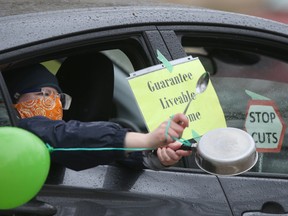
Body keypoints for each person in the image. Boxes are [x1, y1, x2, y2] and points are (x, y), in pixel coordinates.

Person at [3, 64, 192, 171]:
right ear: (12, 99)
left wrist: (156, 157)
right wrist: (147, 139)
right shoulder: (13, 129)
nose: (53, 103)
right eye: (43, 95)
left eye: (59, 98)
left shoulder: (76, 145)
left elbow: (102, 152)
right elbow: (64, 136)